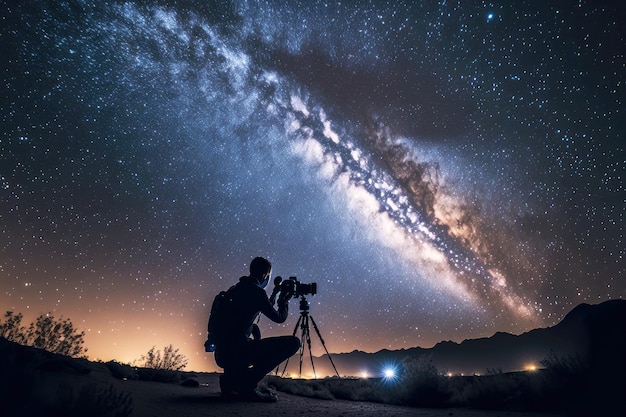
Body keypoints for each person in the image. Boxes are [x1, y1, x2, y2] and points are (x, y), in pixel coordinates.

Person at [208, 256, 300, 402]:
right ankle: (247, 385)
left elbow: (255, 310)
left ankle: (230, 380)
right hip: (238, 351)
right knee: (294, 343)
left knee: (252, 331)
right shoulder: (257, 293)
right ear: (265, 275)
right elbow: (279, 318)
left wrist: (275, 293)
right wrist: (284, 302)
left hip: (222, 354)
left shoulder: (235, 289)